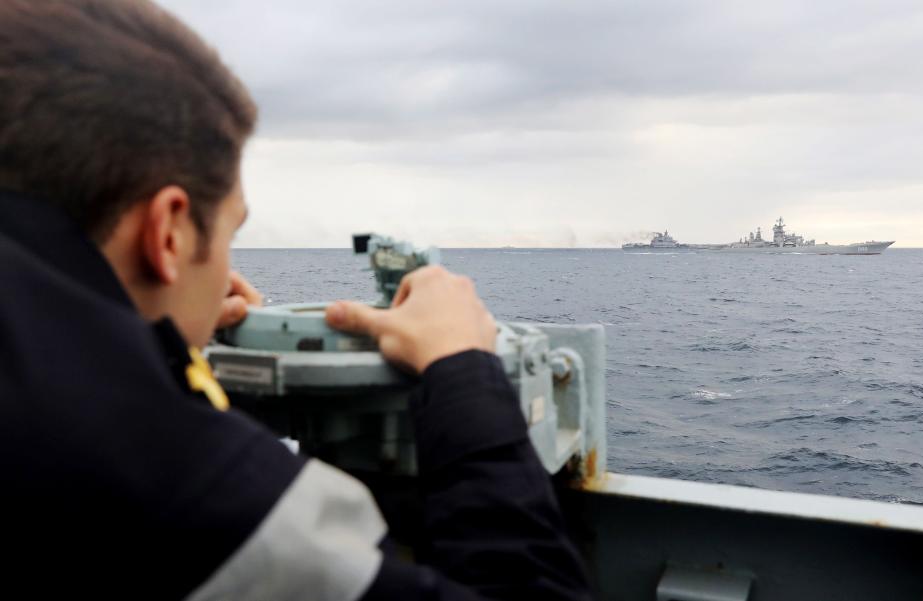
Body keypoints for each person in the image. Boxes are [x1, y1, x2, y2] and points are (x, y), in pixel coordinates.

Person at [0, 1, 592, 599]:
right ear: (169, 234)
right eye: (232, 233)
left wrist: (159, 348)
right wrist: (463, 371)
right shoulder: (193, 496)